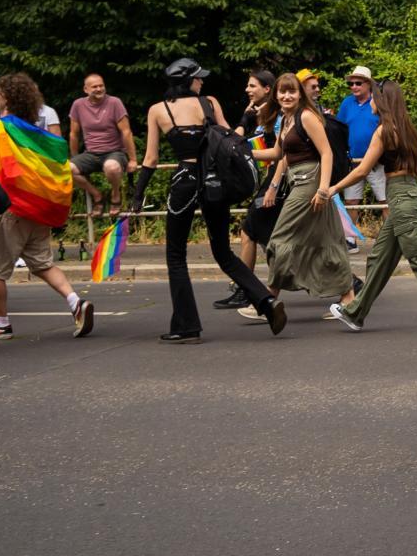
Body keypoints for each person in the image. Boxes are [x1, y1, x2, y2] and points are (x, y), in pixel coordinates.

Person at [130, 58, 286, 343]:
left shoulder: (157, 110)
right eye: (197, 78)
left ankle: (186, 325)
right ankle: (266, 301)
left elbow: (150, 159)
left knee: (176, 256)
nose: (202, 82)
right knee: (223, 253)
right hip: (214, 183)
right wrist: (246, 120)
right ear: (186, 81)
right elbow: (231, 140)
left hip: (185, 183)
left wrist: (138, 196)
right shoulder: (210, 104)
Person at [329, 80, 417, 335]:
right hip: (409, 195)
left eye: (374, 98)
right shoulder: (407, 129)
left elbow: (362, 170)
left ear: (382, 101)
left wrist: (335, 188)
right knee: (379, 257)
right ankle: (355, 312)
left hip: (401, 199)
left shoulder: (383, 131)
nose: (370, 102)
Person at [0, 74, 95, 341]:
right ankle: (76, 303)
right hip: (38, 210)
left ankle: (0, 323)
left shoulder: (3, 127)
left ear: (6, 97)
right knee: (42, 264)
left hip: (12, 209)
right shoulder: (37, 133)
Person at [243, 72, 360, 322]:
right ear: (276, 94)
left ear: (300, 94)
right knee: (328, 240)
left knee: (280, 239)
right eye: (282, 91)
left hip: (310, 185)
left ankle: (267, 300)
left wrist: (323, 189)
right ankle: (349, 299)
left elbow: (326, 153)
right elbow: (278, 153)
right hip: (298, 182)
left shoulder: (306, 116)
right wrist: (245, 152)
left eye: (292, 91)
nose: (287, 96)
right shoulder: (286, 119)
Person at [216, 69, 280, 309]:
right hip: (272, 179)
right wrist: (245, 118)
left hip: (279, 181)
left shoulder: (277, 114)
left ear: (266, 89)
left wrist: (246, 153)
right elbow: (234, 139)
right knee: (258, 234)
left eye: (252, 85)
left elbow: (278, 153)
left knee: (251, 232)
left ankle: (248, 290)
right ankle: (248, 288)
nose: (247, 89)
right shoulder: (258, 114)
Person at [68, 73, 138, 216]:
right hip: (91, 153)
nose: (99, 89)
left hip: (115, 152)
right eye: (95, 86)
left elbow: (126, 132)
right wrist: (75, 157)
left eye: (101, 85)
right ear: (86, 89)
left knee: (111, 167)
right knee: (67, 169)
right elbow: (74, 134)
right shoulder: (78, 105)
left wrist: (133, 159)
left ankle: (115, 195)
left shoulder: (114, 103)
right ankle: (97, 195)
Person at [334, 65, 383, 252]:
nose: (354, 87)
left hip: (376, 161)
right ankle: (350, 238)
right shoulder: (347, 103)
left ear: (368, 84)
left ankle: (388, 239)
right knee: (351, 201)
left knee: (384, 200)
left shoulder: (377, 102)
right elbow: (339, 128)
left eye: (358, 83)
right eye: (351, 83)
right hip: (353, 161)